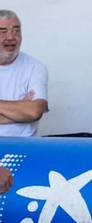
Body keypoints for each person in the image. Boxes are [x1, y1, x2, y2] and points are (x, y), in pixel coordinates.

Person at [0, 10, 48, 138]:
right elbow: (28, 112)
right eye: (3, 31)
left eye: (16, 31)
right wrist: (20, 109)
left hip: (23, 147)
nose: (11, 37)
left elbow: (34, 111)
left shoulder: (35, 67)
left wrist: (28, 111)